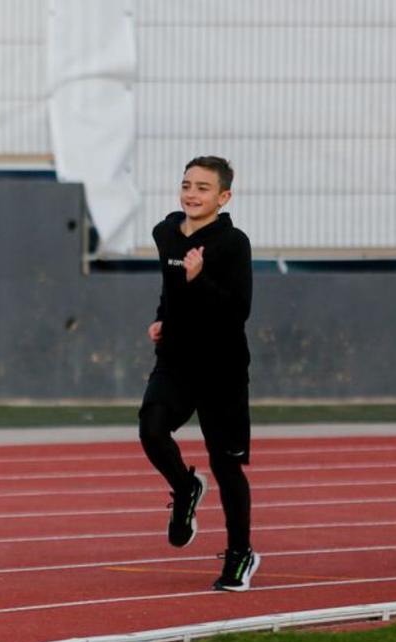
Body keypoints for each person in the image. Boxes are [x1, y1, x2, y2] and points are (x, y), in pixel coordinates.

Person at [138, 156, 258, 592]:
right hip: (176, 359)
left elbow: (237, 311)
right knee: (151, 429)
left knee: (225, 467)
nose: (192, 193)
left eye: (203, 188)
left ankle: (240, 553)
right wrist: (162, 318)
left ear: (223, 197)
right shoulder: (165, 233)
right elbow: (170, 291)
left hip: (221, 367)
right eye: (187, 184)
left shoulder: (233, 244)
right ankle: (186, 488)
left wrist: (200, 278)